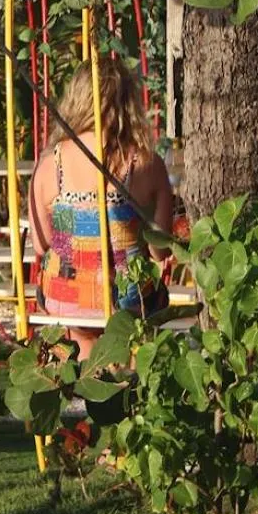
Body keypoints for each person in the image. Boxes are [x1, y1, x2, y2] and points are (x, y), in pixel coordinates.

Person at [28, 58, 173, 357]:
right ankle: (126, 374)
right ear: (129, 103)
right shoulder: (146, 163)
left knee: (71, 305)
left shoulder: (49, 164)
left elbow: (41, 245)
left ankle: (82, 368)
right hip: (129, 301)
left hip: (66, 301)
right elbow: (162, 250)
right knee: (151, 300)